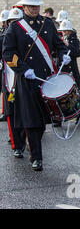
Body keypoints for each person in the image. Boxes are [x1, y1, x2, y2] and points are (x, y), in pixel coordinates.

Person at [2, 0, 69, 171]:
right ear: (24, 7)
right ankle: (36, 157)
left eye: (37, 6)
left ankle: (34, 146)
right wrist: (23, 69)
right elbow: (8, 54)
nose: (35, 9)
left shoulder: (48, 24)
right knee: (32, 120)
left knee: (42, 120)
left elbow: (58, 44)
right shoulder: (15, 28)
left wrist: (64, 53)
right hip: (28, 79)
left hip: (47, 78)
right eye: (31, 6)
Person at [2, 8, 26, 157]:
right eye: (11, 22)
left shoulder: (27, 37)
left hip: (23, 77)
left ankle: (25, 139)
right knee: (11, 112)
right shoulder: (2, 38)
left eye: (17, 21)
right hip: (8, 78)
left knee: (26, 111)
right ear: (7, 23)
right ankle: (16, 144)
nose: (14, 24)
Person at [58, 19, 80, 87]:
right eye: (62, 31)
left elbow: (78, 53)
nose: (63, 32)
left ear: (69, 31)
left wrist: (68, 45)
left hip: (71, 67)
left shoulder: (74, 40)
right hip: (63, 68)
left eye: (65, 31)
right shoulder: (60, 39)